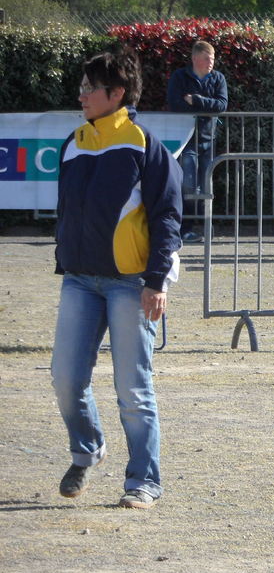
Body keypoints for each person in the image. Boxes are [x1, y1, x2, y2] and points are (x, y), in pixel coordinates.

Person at [52, 49, 182, 510]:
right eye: (83, 86)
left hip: (132, 283)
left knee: (133, 389)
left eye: (91, 87)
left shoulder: (144, 143)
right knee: (66, 379)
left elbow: (168, 216)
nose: (82, 94)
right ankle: (87, 450)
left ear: (117, 94)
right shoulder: (73, 142)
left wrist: (157, 280)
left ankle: (144, 482)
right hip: (80, 281)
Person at [166, 40, 228, 243]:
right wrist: (202, 108)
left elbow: (221, 105)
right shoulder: (180, 77)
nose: (211, 62)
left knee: (205, 185)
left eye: (212, 59)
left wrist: (197, 101)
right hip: (187, 139)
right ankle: (186, 228)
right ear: (195, 58)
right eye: (207, 58)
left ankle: (205, 226)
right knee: (189, 184)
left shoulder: (218, 78)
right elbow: (175, 104)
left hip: (208, 139)